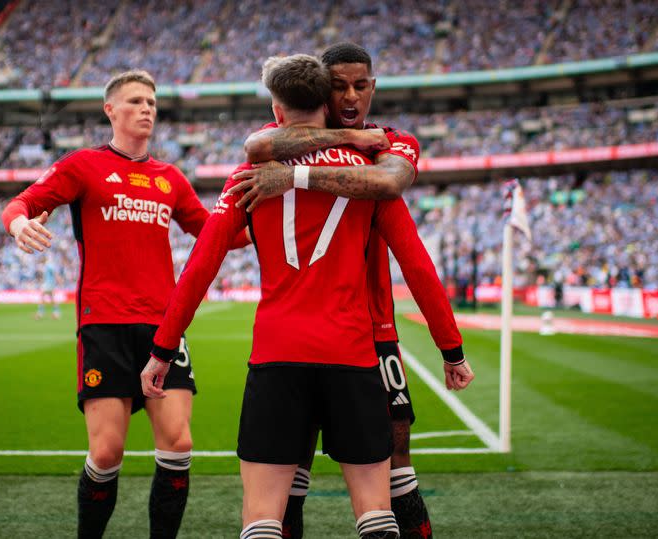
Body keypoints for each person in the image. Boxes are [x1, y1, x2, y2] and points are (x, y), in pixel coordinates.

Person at [141, 54, 473, 539]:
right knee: (377, 515)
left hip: (278, 356)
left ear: (277, 110)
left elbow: (199, 268)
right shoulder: (369, 169)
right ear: (327, 102)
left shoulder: (247, 174)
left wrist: (162, 349)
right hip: (354, 356)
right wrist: (451, 347)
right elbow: (417, 264)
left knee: (263, 517)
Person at [1, 70, 249, 539]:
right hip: (105, 325)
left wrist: (270, 222)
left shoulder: (170, 178)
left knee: (178, 443)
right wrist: (17, 226)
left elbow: (217, 234)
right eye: (135, 101)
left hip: (163, 327)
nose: (147, 109)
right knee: (108, 452)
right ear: (110, 110)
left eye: (152, 102)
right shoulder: (82, 166)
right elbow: (21, 203)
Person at [232, 42, 459, 538]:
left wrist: (299, 174)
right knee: (291, 470)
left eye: (361, 85)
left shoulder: (392, 141)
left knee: (397, 465)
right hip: (314, 332)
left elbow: (390, 182)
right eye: (338, 86)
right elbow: (254, 147)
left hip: (373, 330)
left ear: (374, 86)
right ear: (320, 90)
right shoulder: (284, 137)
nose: (352, 96)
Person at [36, 254, 62, 320]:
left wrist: (58, 279)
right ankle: (56, 313)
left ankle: (40, 313)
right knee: (52, 298)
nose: (41, 260)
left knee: (42, 297)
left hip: (48, 284)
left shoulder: (49, 265)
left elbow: (54, 273)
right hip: (50, 283)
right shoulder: (46, 266)